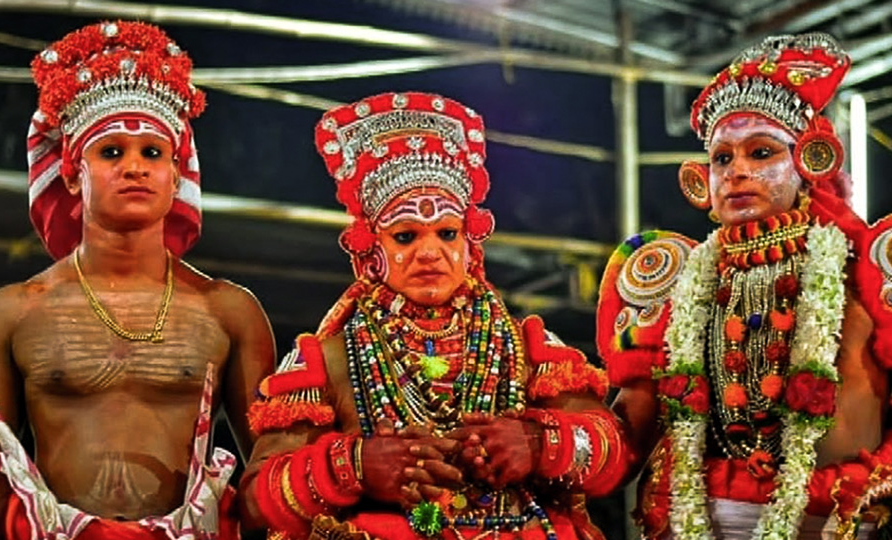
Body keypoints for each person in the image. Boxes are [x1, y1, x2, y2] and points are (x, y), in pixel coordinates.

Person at [596, 32, 892, 539]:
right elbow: (626, 439)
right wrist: (551, 443)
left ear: (809, 164)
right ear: (702, 182)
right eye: (721, 159)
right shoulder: (676, 285)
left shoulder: (867, 272)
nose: (737, 172)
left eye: (760, 153)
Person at [239, 91, 629, 539]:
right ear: (371, 248)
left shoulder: (528, 347)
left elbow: (616, 455)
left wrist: (541, 444)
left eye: (447, 233)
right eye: (405, 236)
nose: (429, 252)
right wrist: (355, 466)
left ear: (469, 243)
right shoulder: (326, 361)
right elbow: (254, 503)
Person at [0, 21, 276, 539]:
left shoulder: (230, 310)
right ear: (71, 174)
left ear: (176, 175)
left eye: (152, 153)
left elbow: (266, 481)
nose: (135, 167)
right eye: (111, 152)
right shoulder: (12, 312)